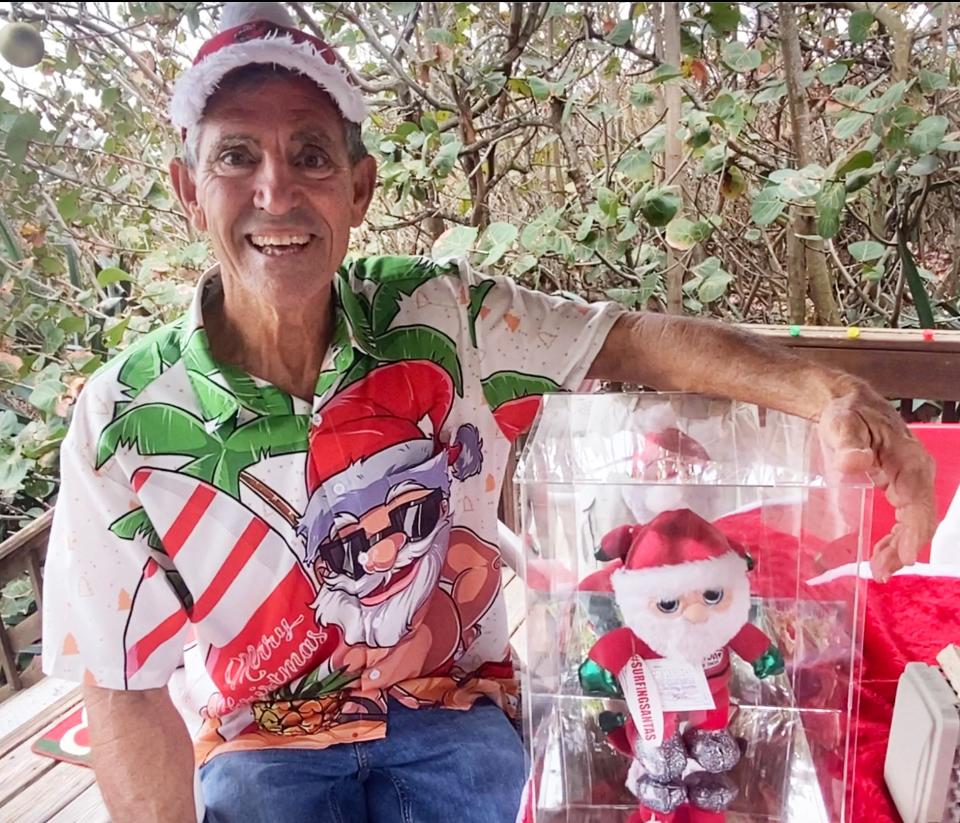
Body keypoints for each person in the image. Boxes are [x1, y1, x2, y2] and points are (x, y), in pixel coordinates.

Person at [40, 4, 935, 823]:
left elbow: (628, 340)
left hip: (457, 719)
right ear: (188, 188)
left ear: (360, 187)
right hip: (262, 743)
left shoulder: (442, 317)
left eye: (311, 153)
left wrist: (833, 394)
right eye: (236, 154)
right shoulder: (127, 416)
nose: (276, 190)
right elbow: (120, 687)